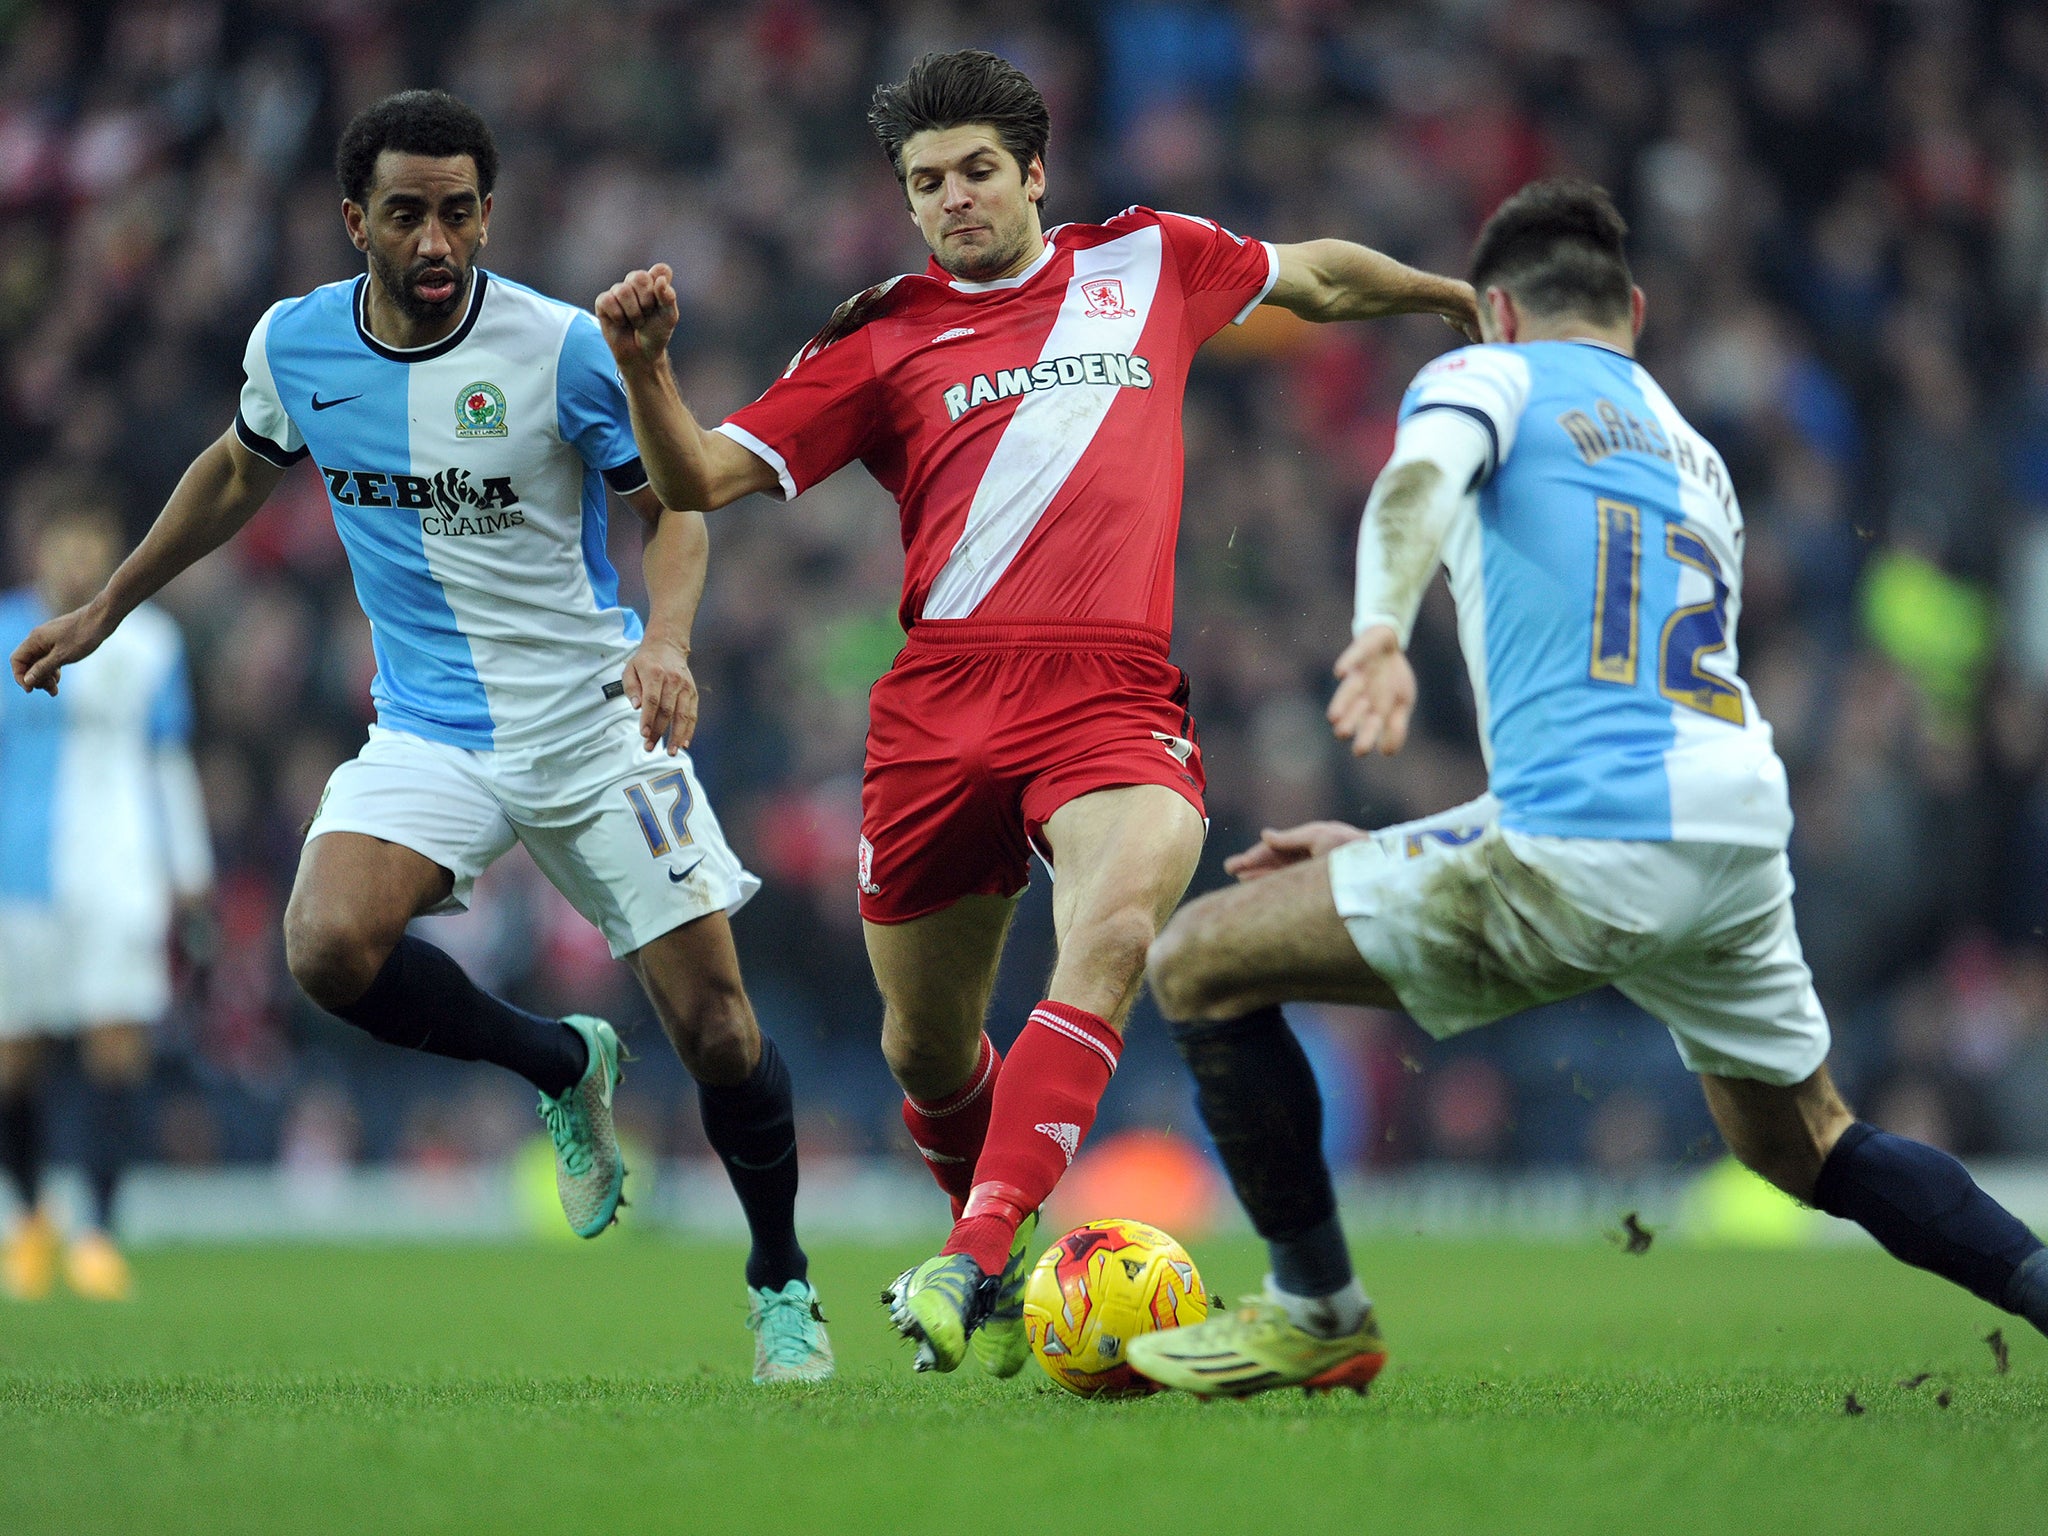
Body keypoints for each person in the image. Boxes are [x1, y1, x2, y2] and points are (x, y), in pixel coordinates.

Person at [593, 48, 1479, 1376]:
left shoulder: (1150, 262)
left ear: (1034, 174)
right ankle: (989, 1251)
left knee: (1116, 933)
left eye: (975, 172)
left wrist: (1450, 295)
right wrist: (648, 370)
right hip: (938, 707)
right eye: (925, 181)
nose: (951, 199)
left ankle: (974, 1252)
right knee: (929, 1043)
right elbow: (705, 478)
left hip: (1110, 693)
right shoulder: (880, 333)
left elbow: (1322, 275)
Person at [1127, 178, 2048, 1398]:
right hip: (1729, 832)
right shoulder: (1693, 458)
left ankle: (1316, 1309)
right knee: (1805, 1142)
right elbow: (1616, 717)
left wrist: (1379, 631)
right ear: (1635, 308)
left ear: (1494, 310)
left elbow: (1413, 485)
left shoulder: (1488, 378)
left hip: (1591, 836)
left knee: (1194, 958)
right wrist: (1400, 847)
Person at [9, 90, 833, 1383]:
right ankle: (562, 1063)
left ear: (487, 213)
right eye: (407, 214)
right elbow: (238, 466)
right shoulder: (296, 346)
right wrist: (111, 604)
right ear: (357, 222)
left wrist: (666, 644)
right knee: (327, 946)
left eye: (459, 211)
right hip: (433, 730)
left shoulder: (559, 349)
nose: (437, 238)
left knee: (721, 1031)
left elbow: (679, 502)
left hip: (594, 721)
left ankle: (782, 1280)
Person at [0, 483, 212, 1301]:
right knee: (13, 1059)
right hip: (16, 876)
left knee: (114, 1047)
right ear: (37, 547)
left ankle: (97, 1231)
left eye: (95, 544)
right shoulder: (6, 632)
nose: (80, 560)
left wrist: (188, 876)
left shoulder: (150, 642)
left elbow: (168, 761)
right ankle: (26, 1221)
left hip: (121, 872)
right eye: (66, 543)